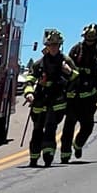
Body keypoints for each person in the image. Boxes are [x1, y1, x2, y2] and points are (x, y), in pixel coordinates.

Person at [21, 29, 77, 167]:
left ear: (60, 45)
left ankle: (48, 156)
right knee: (37, 129)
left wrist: (69, 72)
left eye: (56, 45)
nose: (53, 48)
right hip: (40, 99)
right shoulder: (39, 63)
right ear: (46, 46)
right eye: (51, 45)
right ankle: (33, 158)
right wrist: (29, 93)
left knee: (51, 128)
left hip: (57, 100)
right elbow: (30, 80)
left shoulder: (66, 61)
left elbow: (76, 79)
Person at [59, 23, 97, 162]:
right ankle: (65, 155)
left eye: (92, 39)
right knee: (69, 125)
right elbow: (65, 70)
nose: (89, 42)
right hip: (73, 94)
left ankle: (78, 144)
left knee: (87, 126)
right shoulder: (76, 49)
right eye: (87, 39)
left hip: (89, 95)